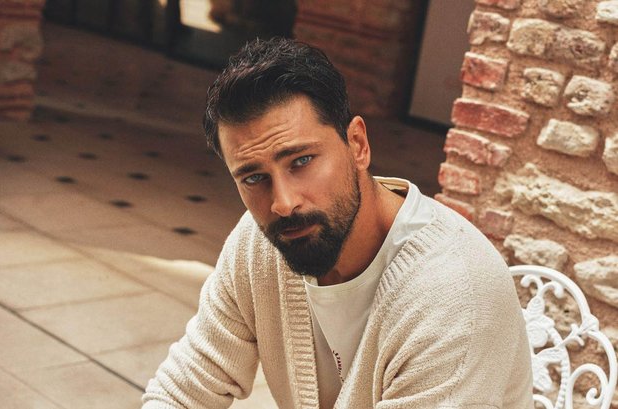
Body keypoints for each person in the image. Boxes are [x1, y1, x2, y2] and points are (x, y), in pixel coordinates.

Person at [142, 37, 533, 409]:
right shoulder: (258, 245)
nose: (284, 203)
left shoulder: (454, 295)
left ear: (357, 144)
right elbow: (184, 389)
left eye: (301, 161)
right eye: (254, 178)